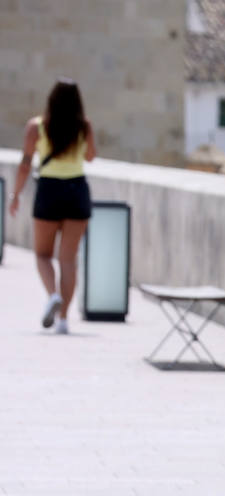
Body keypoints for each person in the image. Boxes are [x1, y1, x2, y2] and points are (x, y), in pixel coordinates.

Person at [7, 79, 97, 335]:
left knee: (42, 254)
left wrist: (15, 195)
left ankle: (52, 295)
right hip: (77, 190)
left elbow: (25, 163)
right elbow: (90, 156)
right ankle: (64, 320)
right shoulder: (84, 126)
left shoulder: (37, 127)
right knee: (68, 258)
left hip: (49, 190)